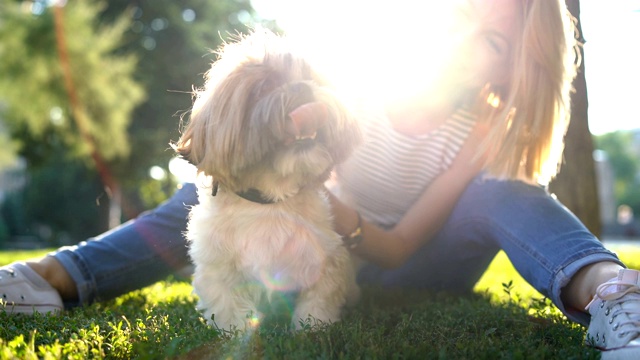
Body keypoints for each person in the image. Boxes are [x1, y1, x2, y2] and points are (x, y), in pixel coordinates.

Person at [1, 0, 639, 357]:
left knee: (508, 192)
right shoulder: (354, 87)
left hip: (406, 268)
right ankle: (53, 278)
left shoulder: (480, 132)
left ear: (509, 73)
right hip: (301, 238)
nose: (462, 39)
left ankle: (612, 293)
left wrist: (336, 211)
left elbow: (399, 247)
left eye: (492, 44)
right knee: (206, 193)